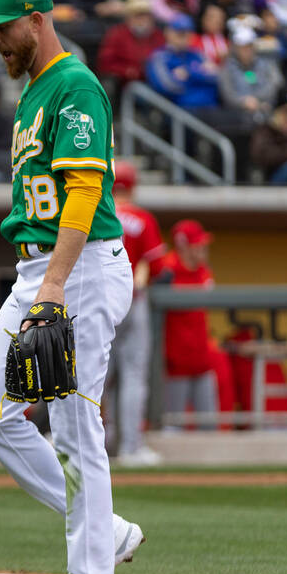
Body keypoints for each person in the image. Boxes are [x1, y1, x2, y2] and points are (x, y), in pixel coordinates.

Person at [0, 0, 143, 574]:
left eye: (3, 27)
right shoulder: (34, 89)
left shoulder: (75, 85)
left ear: (37, 19)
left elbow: (84, 193)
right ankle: (108, 528)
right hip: (39, 270)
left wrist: (56, 283)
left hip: (80, 267)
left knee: (73, 428)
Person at [108, 161, 165, 467]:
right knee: (132, 376)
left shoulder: (96, 211)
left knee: (93, 378)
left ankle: (85, 446)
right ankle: (130, 447)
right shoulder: (142, 218)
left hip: (98, 300)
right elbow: (156, 266)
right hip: (132, 298)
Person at [161, 219, 218, 420]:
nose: (203, 247)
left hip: (202, 361)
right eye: (198, 244)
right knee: (172, 425)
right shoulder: (167, 270)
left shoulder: (203, 270)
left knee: (209, 424)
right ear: (184, 246)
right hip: (175, 365)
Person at [145, 14, 219, 109]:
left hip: (211, 107)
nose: (185, 37)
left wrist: (189, 72)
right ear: (168, 32)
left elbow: (217, 78)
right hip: (180, 112)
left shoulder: (197, 54)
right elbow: (167, 87)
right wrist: (201, 74)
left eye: (188, 33)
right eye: (180, 33)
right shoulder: (159, 57)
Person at [95, 0, 164, 92]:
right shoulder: (117, 34)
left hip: (155, 82)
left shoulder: (159, 36)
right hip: (127, 84)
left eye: (145, 15)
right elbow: (105, 63)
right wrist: (126, 71)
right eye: (137, 15)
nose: (142, 20)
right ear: (128, 17)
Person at [219, 26, 283, 118]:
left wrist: (257, 100)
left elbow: (274, 84)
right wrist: (243, 102)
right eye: (242, 47)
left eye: (249, 46)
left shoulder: (266, 64)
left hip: (265, 111)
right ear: (235, 48)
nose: (246, 50)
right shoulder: (227, 67)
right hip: (236, 115)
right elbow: (227, 93)